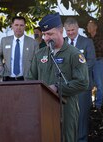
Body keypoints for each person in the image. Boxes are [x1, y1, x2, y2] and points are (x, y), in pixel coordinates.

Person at [26, 12, 89, 142]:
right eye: (44, 34)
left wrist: (57, 87)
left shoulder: (74, 54)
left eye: (50, 34)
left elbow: (83, 82)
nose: (46, 38)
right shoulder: (40, 54)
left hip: (66, 107)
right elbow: (30, 79)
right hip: (43, 107)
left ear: (61, 31)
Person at [64, 17, 96, 142]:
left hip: (82, 86)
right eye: (68, 31)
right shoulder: (62, 43)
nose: (70, 33)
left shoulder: (87, 42)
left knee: (82, 116)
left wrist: (75, 72)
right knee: (67, 116)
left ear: (77, 28)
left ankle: (82, 140)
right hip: (66, 87)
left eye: (72, 30)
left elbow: (92, 61)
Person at [0, 16, 39, 81]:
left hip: (26, 79)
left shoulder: (33, 43)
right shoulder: (5, 41)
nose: (18, 27)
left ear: (25, 26)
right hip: (7, 79)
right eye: (16, 25)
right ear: (12, 26)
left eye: (21, 25)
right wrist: (0, 66)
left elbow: (38, 62)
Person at [87, 19, 103, 110]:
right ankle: (89, 104)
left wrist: (90, 48)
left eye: (90, 26)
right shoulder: (88, 39)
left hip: (98, 61)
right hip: (89, 62)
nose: (88, 27)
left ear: (95, 27)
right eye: (88, 26)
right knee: (89, 84)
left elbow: (99, 48)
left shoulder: (101, 37)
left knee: (99, 84)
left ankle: (98, 106)